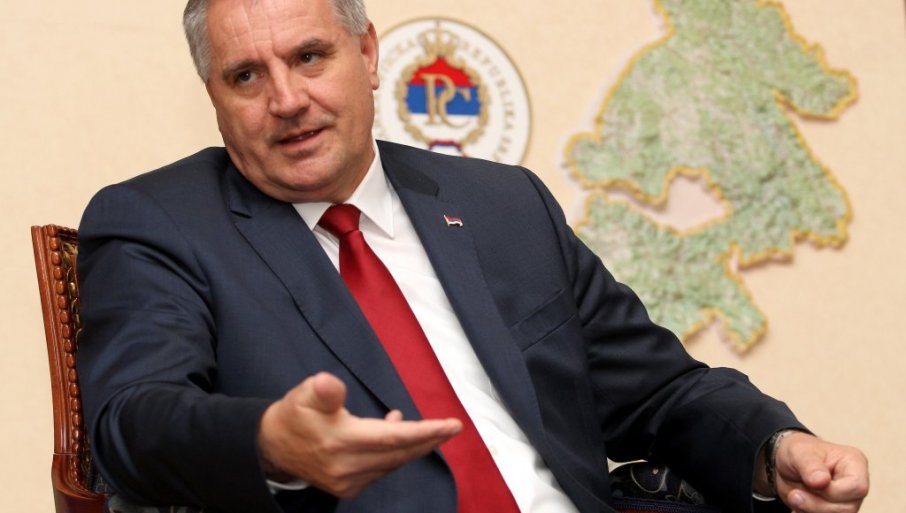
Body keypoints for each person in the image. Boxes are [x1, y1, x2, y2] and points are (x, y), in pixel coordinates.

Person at [76, 0, 869, 512]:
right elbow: (130, 423)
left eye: (310, 57)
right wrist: (267, 443)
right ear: (214, 96)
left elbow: (658, 391)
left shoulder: (502, 203)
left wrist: (774, 448)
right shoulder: (158, 223)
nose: (286, 99)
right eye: (246, 75)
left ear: (368, 54)